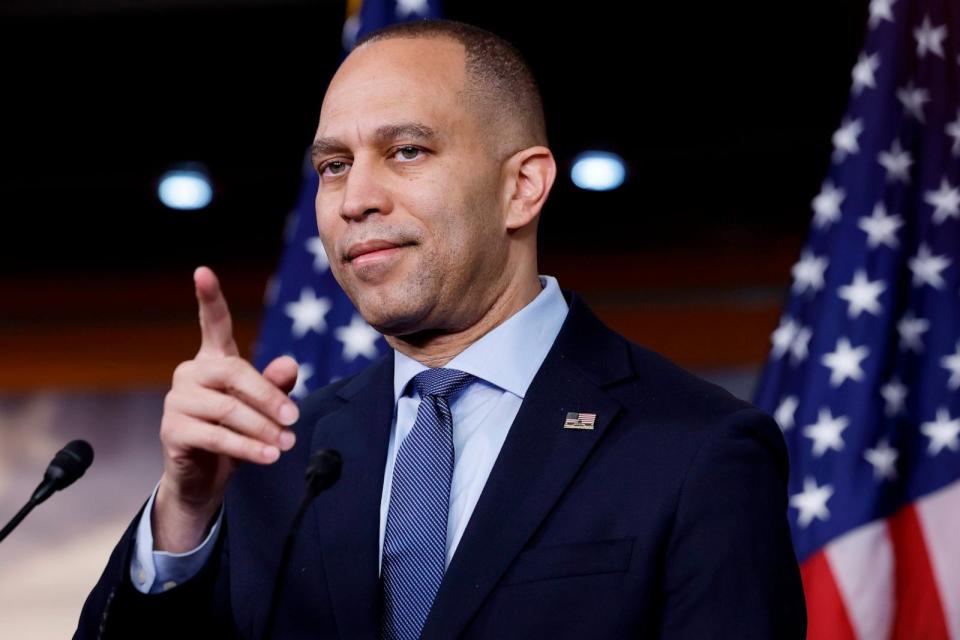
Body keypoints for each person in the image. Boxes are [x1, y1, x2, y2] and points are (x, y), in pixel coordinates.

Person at [76, 19, 805, 639]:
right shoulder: (268, 456)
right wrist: (184, 511)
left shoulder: (695, 449)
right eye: (333, 165)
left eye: (407, 152)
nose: (355, 197)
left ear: (522, 187)